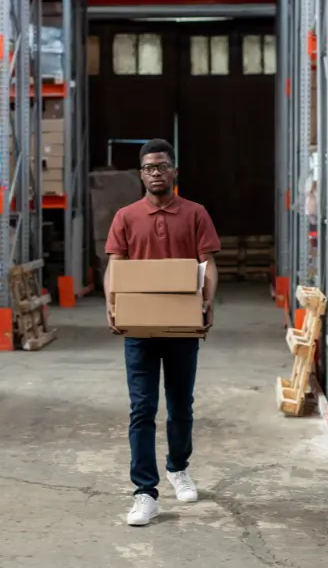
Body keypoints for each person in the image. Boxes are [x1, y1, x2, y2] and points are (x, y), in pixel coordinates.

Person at [104, 138, 220, 527]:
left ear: (174, 172)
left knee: (181, 405)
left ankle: (177, 466)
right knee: (142, 409)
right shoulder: (125, 216)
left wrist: (207, 301)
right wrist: (112, 302)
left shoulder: (196, 213)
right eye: (149, 167)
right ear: (141, 174)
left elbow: (208, 263)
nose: (156, 172)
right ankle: (144, 492)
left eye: (162, 166)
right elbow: (115, 267)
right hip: (139, 329)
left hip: (182, 326)